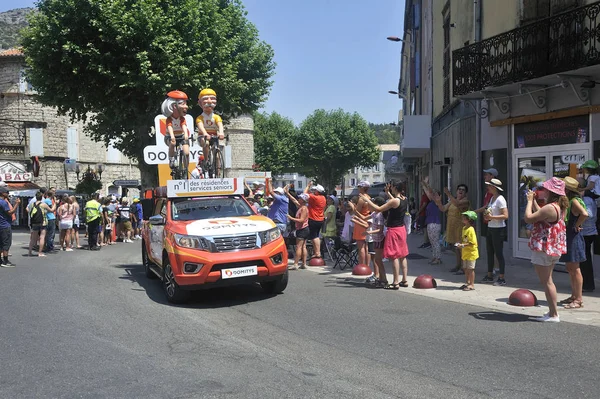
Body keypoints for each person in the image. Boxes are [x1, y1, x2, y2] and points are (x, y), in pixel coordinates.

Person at [524, 177, 568, 322]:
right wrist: (535, 201)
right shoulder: (559, 206)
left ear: (551, 191)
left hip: (544, 248)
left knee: (547, 281)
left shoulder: (550, 207)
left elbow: (529, 218)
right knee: (548, 280)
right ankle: (551, 312)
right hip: (553, 248)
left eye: (546, 189)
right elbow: (541, 215)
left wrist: (529, 201)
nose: (544, 190)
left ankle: (554, 314)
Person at [361, 182, 409, 290]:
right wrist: (387, 193)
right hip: (402, 229)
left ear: (395, 188)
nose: (390, 188)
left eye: (392, 187)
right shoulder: (404, 199)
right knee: (402, 255)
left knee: (394, 256)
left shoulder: (394, 201)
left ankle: (395, 282)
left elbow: (378, 209)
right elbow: (395, 203)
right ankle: (404, 280)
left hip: (394, 230)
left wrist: (367, 200)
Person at [558, 177, 588, 310]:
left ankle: (579, 299)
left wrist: (577, 224)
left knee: (575, 269)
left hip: (574, 237)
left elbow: (584, 214)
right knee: (570, 268)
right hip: (569, 236)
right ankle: (574, 295)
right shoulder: (569, 201)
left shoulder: (574, 201)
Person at [433, 184, 471, 273]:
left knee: (462, 248)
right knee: (457, 248)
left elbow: (457, 204)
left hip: (461, 228)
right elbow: (443, 209)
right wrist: (438, 202)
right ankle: (458, 265)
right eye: (459, 189)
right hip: (453, 227)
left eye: (463, 190)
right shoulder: (452, 201)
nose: (460, 191)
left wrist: (448, 194)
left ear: (465, 193)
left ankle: (464, 267)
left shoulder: (465, 201)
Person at [481, 178, 509, 286]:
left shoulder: (501, 199)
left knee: (499, 253)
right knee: (489, 251)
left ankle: (502, 277)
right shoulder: (492, 198)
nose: (488, 187)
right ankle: (489, 275)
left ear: (494, 188)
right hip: (491, 227)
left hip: (498, 229)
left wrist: (492, 217)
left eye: (489, 186)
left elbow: (506, 215)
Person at [195, 88, 224, 173]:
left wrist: (221, 132)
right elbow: (201, 127)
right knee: (206, 143)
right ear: (200, 103)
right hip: (203, 137)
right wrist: (205, 133)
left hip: (214, 136)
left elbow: (220, 125)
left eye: (212, 99)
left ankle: (218, 171)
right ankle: (206, 159)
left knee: (218, 154)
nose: (209, 101)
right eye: (205, 99)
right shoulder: (200, 117)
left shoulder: (216, 117)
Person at [161, 90, 191, 170]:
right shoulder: (169, 119)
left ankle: (186, 168)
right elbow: (169, 127)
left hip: (181, 136)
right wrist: (172, 136)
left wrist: (186, 135)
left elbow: (184, 126)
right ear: (174, 106)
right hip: (170, 136)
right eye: (183, 104)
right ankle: (171, 159)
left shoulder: (182, 118)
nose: (186, 107)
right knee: (172, 143)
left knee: (186, 152)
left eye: (186, 104)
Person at [285, 186, 309, 270]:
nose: (298, 199)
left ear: (303, 200)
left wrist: (290, 218)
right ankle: (304, 263)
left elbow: (301, 220)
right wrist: (287, 193)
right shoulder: (301, 206)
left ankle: (296, 264)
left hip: (302, 229)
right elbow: (294, 200)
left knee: (299, 247)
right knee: (303, 246)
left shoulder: (303, 208)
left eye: (300, 198)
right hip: (304, 229)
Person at [579, 179, 597, 292]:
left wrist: (577, 222)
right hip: (586, 232)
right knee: (583, 259)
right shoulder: (585, 199)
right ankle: (585, 283)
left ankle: (588, 284)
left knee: (585, 259)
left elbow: (588, 214)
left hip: (587, 232)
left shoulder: (587, 200)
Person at [455, 211, 479, 291]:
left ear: (469, 220)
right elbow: (464, 239)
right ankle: (467, 282)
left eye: (464, 218)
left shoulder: (471, 229)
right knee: (465, 268)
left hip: (471, 253)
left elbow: (472, 242)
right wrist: (460, 244)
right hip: (465, 252)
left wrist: (462, 245)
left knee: (470, 269)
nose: (462, 219)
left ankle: (472, 284)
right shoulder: (464, 228)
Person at [304, 181, 327, 259]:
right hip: (320, 219)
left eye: (315, 190)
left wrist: (308, 186)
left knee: (314, 236)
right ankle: (316, 251)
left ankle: (317, 252)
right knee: (315, 235)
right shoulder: (323, 198)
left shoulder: (315, 197)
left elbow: (304, 194)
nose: (313, 191)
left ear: (317, 191)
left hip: (314, 218)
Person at [352, 181, 372, 268]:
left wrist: (352, 206)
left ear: (362, 188)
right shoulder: (368, 197)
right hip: (367, 221)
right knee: (366, 245)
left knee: (361, 246)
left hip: (360, 222)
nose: (358, 188)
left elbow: (356, 212)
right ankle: (367, 265)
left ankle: (361, 265)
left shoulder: (361, 199)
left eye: (359, 186)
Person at [27, 191, 54, 257]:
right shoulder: (43, 204)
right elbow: (51, 210)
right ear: (41, 197)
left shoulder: (32, 204)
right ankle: (40, 252)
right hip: (43, 222)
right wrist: (55, 204)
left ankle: (30, 252)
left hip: (34, 222)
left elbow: (28, 209)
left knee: (33, 238)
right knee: (42, 237)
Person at [422, 184, 442, 265]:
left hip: (435, 223)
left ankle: (438, 258)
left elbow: (430, 192)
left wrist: (426, 184)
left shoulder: (437, 201)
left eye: (436, 194)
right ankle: (434, 257)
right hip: (430, 222)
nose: (434, 195)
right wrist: (424, 184)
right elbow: (429, 193)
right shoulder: (432, 201)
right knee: (432, 242)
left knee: (435, 242)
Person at [0, 187, 20, 267]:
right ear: (2, 193)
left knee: (1, 243)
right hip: (5, 225)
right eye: (7, 192)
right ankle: (5, 261)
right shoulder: (3, 202)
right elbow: (10, 212)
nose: (8, 194)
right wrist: (17, 204)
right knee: (6, 243)